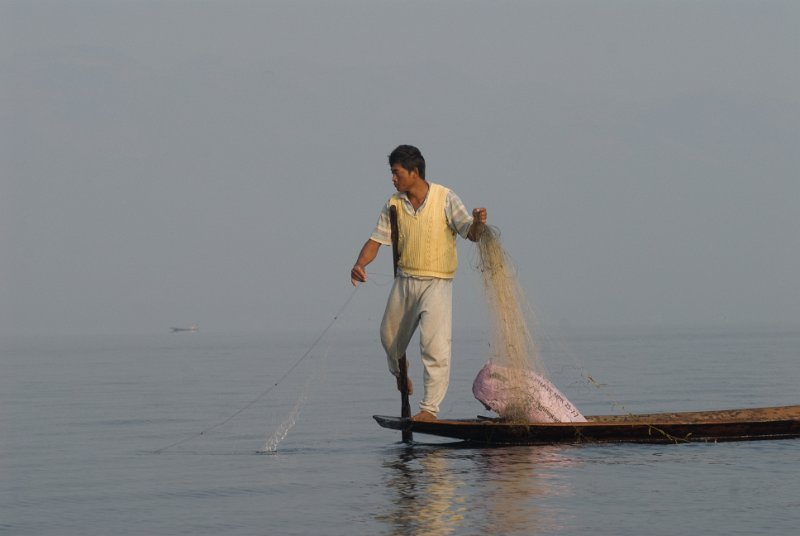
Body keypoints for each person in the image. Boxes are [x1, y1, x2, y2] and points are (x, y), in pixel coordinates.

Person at [350, 145, 487, 422]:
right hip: (405, 281)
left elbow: (470, 233)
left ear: (414, 172)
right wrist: (360, 265)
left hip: (437, 283)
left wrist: (479, 223)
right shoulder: (394, 203)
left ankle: (429, 410)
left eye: (397, 173)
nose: (393, 178)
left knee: (434, 347)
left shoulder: (445, 198)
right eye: (392, 173)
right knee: (389, 338)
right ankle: (401, 375)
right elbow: (376, 240)